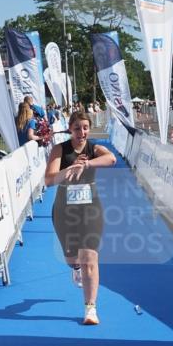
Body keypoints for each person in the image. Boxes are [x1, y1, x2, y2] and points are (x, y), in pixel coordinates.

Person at [45, 112, 117, 325]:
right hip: (65, 211)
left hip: (90, 210)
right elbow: (49, 180)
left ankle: (90, 308)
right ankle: (75, 269)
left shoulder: (93, 148)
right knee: (73, 260)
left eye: (85, 128)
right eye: (77, 128)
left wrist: (87, 165)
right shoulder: (60, 150)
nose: (82, 132)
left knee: (90, 258)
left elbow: (111, 158)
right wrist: (70, 169)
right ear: (70, 129)